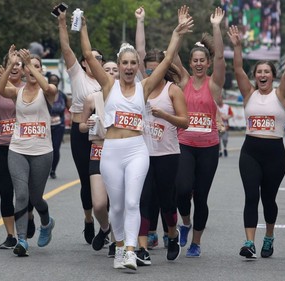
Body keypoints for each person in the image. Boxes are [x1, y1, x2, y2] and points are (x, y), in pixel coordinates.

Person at [80, 7, 193, 270]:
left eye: (133, 63)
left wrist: (176, 34)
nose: (129, 67)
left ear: (138, 67)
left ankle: (131, 251)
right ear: (118, 67)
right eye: (125, 63)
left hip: (136, 150)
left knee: (132, 202)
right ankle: (120, 246)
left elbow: (166, 62)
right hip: (111, 151)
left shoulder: (144, 87)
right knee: (116, 207)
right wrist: (83, 27)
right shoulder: (109, 87)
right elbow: (87, 54)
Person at [228, 26, 285, 258]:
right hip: (250, 152)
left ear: (272, 76)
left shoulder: (280, 95)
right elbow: (238, 68)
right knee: (251, 197)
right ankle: (249, 243)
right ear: (255, 76)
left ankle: (269, 237)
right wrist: (237, 46)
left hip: (274, 154)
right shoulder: (249, 94)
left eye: (266, 72)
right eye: (259, 72)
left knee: (269, 199)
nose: (262, 75)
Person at [134, 6, 188, 265]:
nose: (151, 73)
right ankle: (142, 247)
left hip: (167, 154)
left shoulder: (172, 90)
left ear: (163, 70)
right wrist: (140, 22)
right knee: (144, 199)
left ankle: (172, 234)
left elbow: (185, 122)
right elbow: (138, 49)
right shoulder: (139, 90)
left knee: (167, 200)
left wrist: (163, 116)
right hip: (142, 154)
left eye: (156, 69)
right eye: (148, 69)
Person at [173, 7, 226, 258]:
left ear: (206, 62)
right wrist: (180, 30)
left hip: (208, 147)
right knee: (182, 190)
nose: (197, 64)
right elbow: (171, 56)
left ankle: (196, 242)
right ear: (191, 62)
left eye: (202, 61)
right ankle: (185, 222)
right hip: (184, 143)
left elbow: (221, 60)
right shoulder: (183, 81)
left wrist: (216, 27)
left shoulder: (214, 85)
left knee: (201, 197)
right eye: (194, 60)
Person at [0, 45, 57, 256]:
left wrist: (31, 64)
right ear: (23, 72)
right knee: (21, 195)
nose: (32, 71)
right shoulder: (17, 91)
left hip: (42, 151)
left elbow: (48, 89)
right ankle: (21, 240)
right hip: (18, 149)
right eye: (28, 68)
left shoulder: (49, 91)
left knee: (35, 197)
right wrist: (11, 65)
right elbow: (1, 90)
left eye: (37, 67)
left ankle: (47, 221)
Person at [56, 6, 105, 244]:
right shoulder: (77, 74)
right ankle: (89, 219)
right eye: (90, 58)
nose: (93, 61)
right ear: (84, 62)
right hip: (80, 132)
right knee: (86, 179)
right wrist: (63, 22)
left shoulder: (108, 81)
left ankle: (106, 224)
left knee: (106, 178)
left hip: (104, 135)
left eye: (99, 59)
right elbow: (66, 48)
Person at [0, 55, 36, 249]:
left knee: (26, 191)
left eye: (18, 64)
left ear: (23, 69)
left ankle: (28, 215)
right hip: (2, 146)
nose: (14, 67)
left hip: (24, 147)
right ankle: (11, 235)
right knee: (6, 192)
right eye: (11, 64)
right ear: (4, 67)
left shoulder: (28, 89)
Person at [78, 61, 120, 256]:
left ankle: (115, 242)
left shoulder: (127, 97)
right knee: (99, 204)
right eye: (107, 70)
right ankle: (105, 229)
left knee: (116, 201)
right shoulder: (92, 98)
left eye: (115, 70)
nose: (111, 73)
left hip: (119, 150)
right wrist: (87, 124)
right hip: (98, 150)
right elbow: (80, 125)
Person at [48, 74, 70, 179]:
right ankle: (44, 169)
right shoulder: (44, 94)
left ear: (58, 82)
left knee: (55, 148)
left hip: (59, 126)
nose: (53, 83)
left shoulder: (62, 96)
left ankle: (53, 170)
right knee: (47, 149)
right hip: (45, 127)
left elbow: (71, 108)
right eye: (51, 81)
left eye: (55, 81)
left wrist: (73, 121)